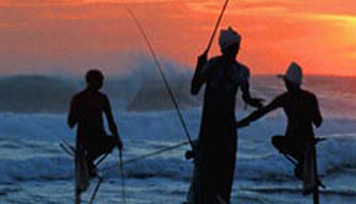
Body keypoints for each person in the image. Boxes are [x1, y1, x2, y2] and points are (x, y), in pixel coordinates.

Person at [188, 27, 264, 204]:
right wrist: (199, 66)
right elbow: (194, 89)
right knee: (207, 168)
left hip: (226, 127)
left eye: (237, 48)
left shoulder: (241, 71)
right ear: (225, 48)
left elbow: (246, 96)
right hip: (211, 126)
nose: (235, 51)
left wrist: (253, 103)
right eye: (233, 48)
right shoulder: (212, 66)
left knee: (225, 169)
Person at [236, 62, 323, 184]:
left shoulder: (285, 98)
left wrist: (240, 124)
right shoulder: (310, 97)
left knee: (276, 140)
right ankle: (302, 163)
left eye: (286, 82)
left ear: (289, 83)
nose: (285, 84)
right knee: (288, 146)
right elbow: (318, 122)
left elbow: (261, 112)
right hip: (307, 141)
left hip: (292, 140)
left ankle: (301, 162)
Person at [68, 69, 123, 180]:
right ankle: (88, 164)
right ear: (90, 81)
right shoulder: (78, 99)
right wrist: (81, 113)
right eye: (100, 81)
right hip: (84, 139)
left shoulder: (102, 98)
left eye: (102, 80)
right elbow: (71, 123)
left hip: (99, 136)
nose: (102, 83)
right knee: (103, 145)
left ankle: (88, 163)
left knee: (112, 142)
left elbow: (110, 121)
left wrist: (118, 138)